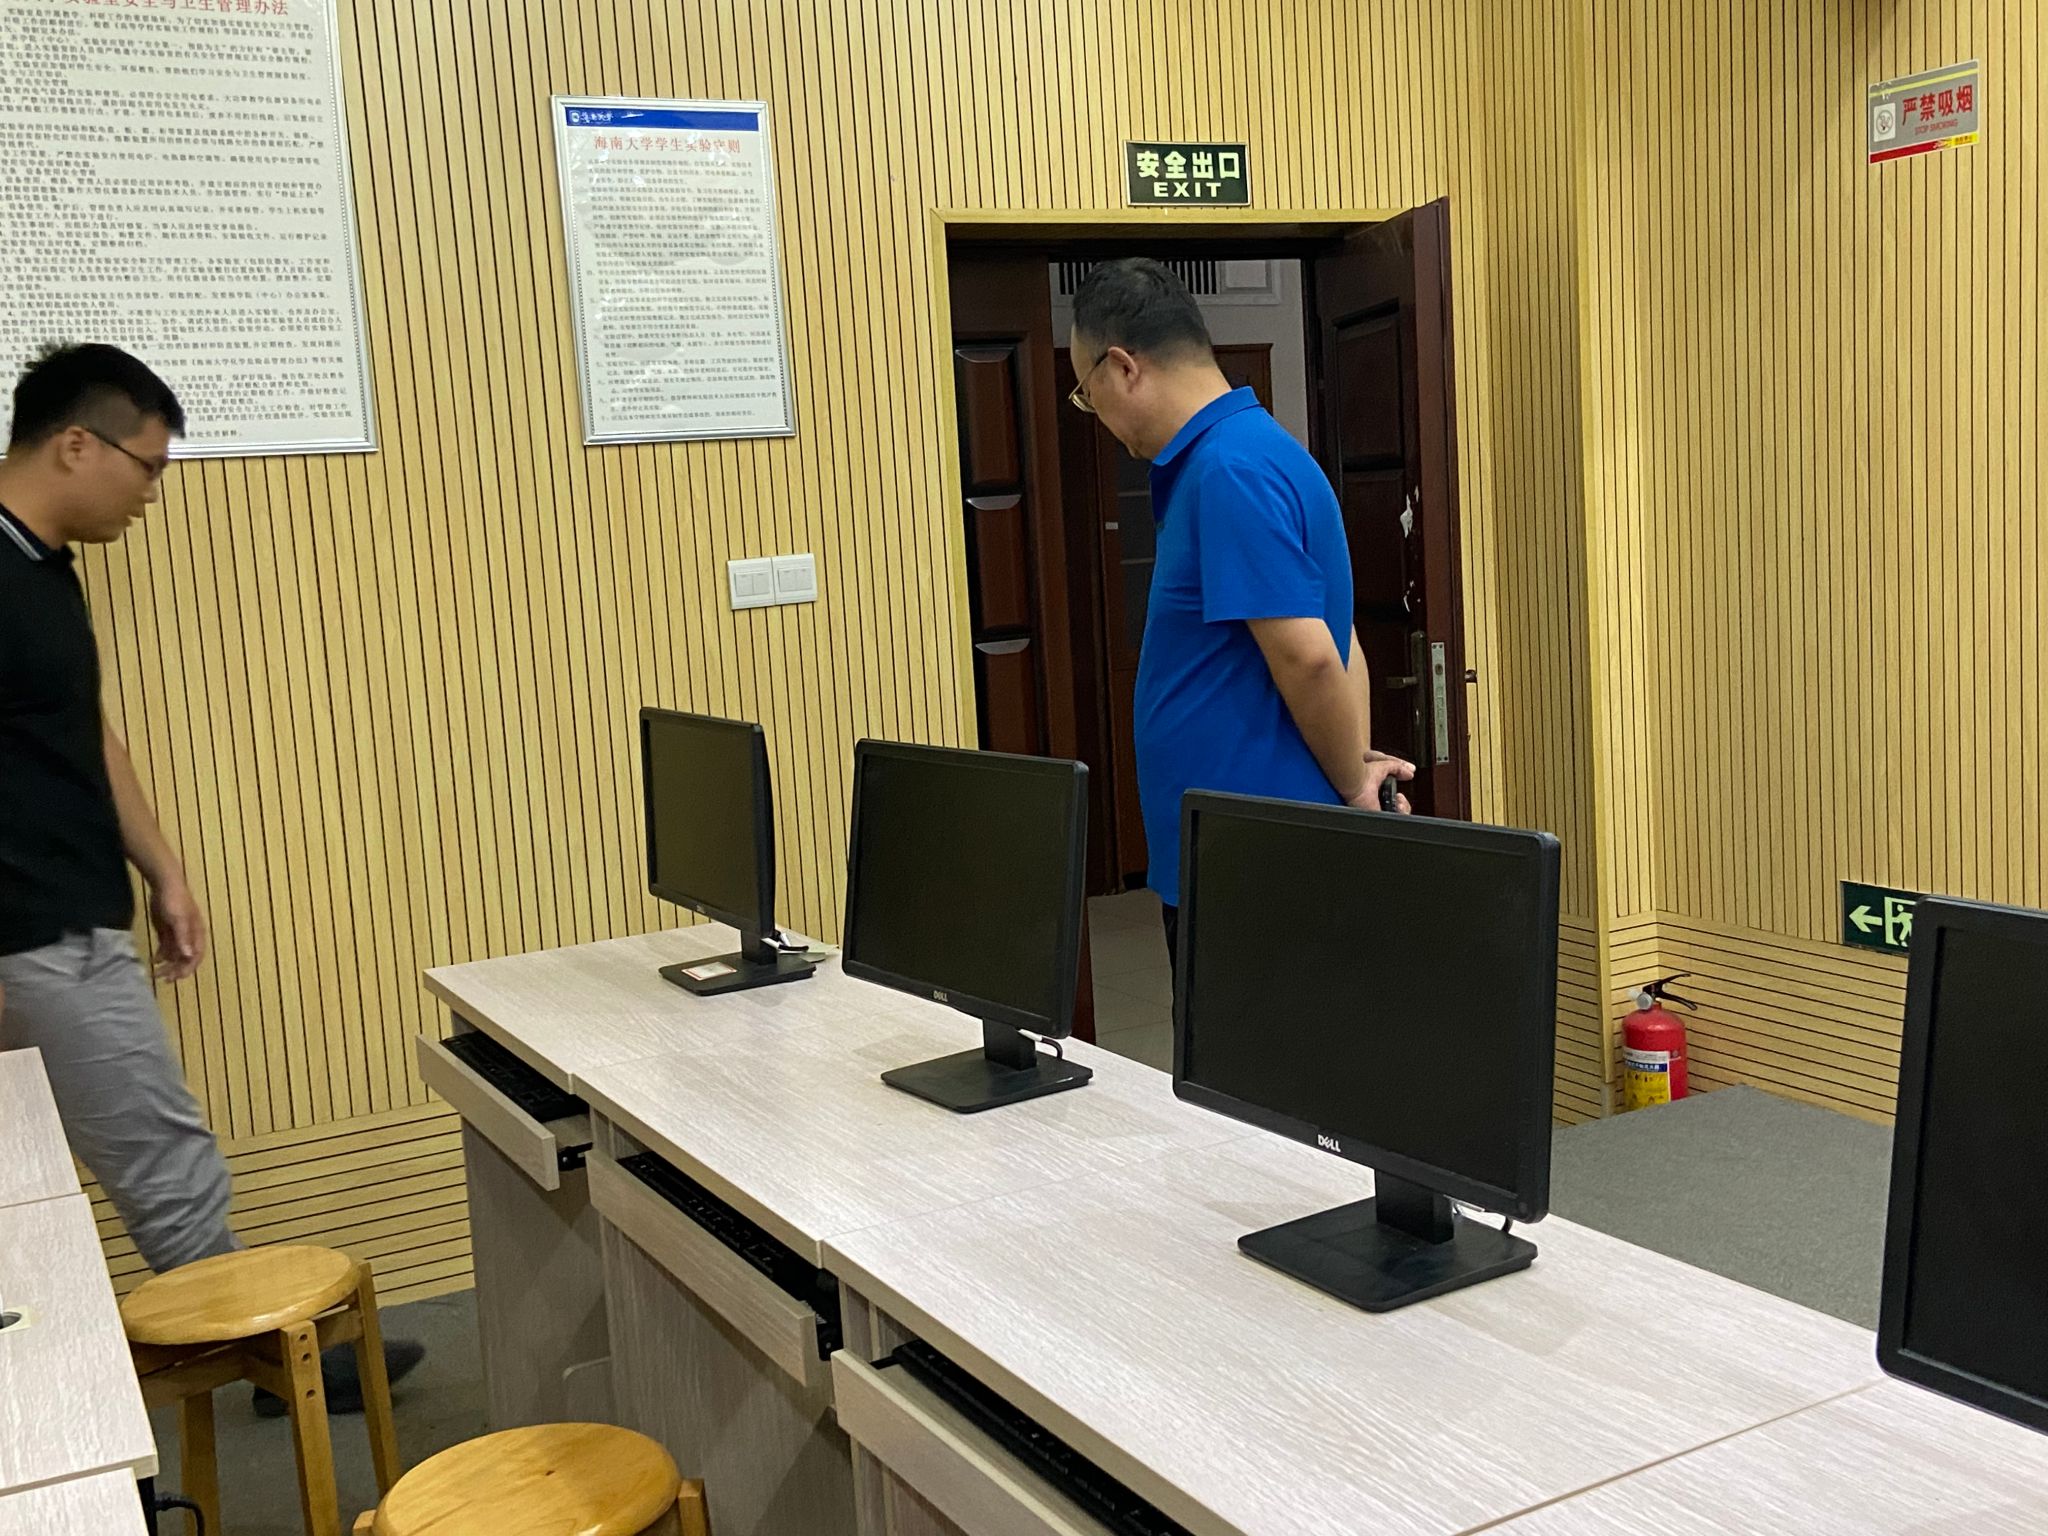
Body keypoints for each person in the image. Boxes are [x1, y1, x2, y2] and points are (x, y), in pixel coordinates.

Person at [0, 343, 420, 1413]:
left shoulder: (42, 569)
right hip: (35, 932)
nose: (152, 492)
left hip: (68, 912)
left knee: (55, 1173)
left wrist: (166, 872)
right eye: (146, 466)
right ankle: (276, 1361)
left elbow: (86, 734)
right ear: (76, 444)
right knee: (163, 1154)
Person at [1067, 260, 1415, 968]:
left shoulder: (1229, 469)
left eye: (1086, 393)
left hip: (1251, 863)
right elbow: (1342, 637)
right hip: (1254, 850)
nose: (1095, 416)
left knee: (1250, 1041)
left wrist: (1353, 783)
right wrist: (1353, 766)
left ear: (1123, 367)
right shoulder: (1255, 453)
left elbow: (1310, 656)